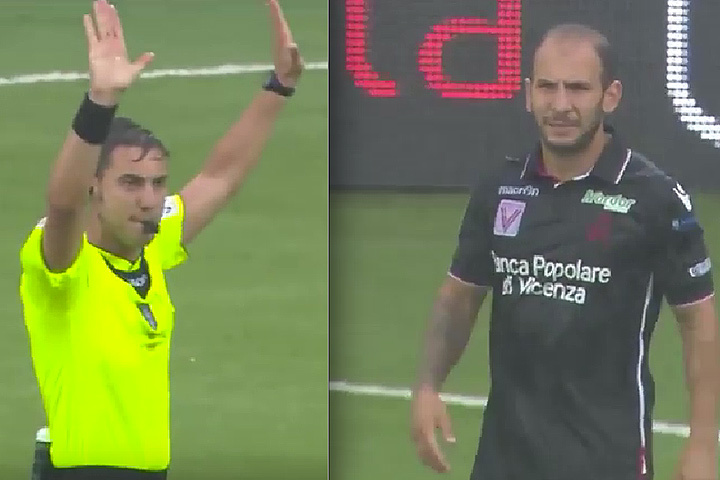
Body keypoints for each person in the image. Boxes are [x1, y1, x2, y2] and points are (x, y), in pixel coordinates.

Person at [410, 24, 719, 480]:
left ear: (610, 96)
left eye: (577, 88)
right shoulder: (500, 188)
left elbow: (698, 321)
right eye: (547, 87)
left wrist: (703, 446)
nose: (560, 105)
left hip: (608, 460)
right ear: (528, 94)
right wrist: (427, 385)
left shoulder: (655, 199)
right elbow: (459, 297)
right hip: (504, 460)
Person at [19, 0, 303, 478]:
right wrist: (100, 102)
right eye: (130, 183)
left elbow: (219, 177)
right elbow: (63, 205)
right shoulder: (66, 266)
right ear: (95, 187)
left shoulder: (150, 246)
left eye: (157, 184)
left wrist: (280, 86)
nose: (149, 199)